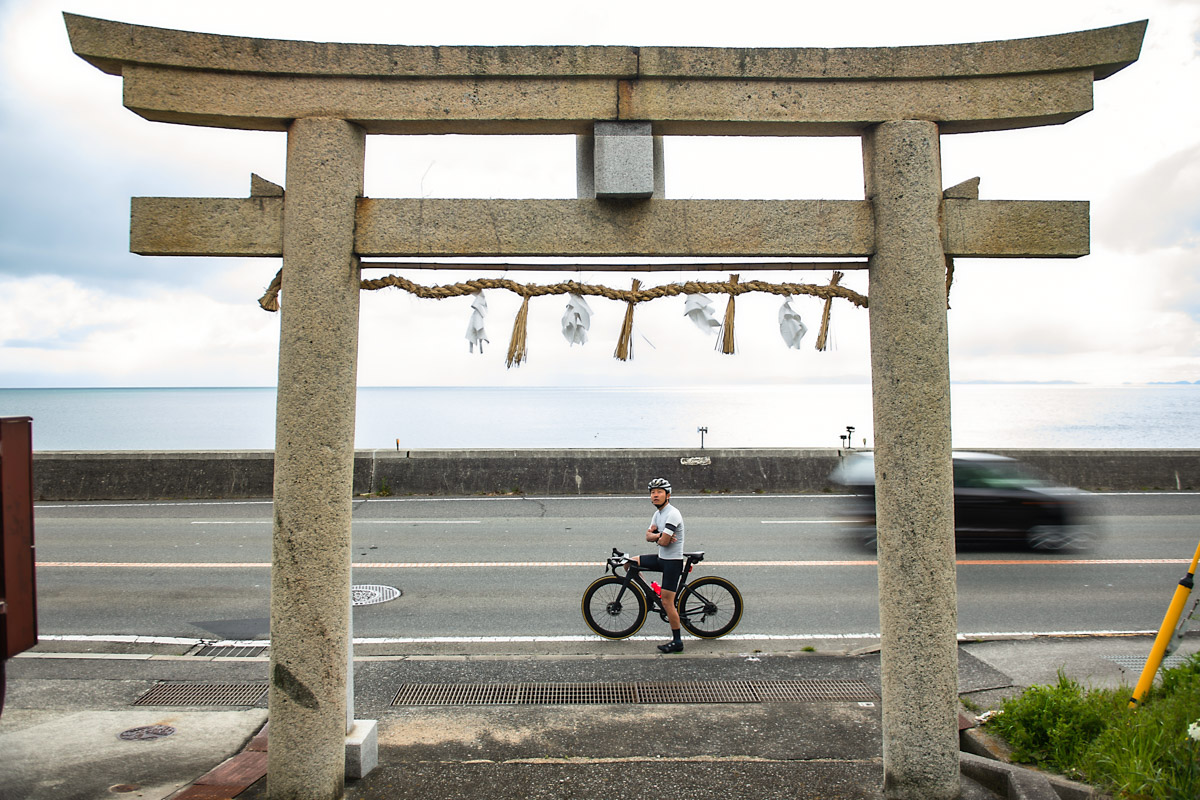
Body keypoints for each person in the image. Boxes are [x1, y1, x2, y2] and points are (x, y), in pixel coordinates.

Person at [629, 477, 686, 653]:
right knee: (630, 563)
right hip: (661, 558)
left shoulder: (672, 514)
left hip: (672, 562)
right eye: (653, 492)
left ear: (667, 495)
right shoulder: (657, 514)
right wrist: (658, 536)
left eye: (659, 492)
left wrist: (658, 537)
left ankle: (677, 642)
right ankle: (648, 593)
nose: (655, 495)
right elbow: (649, 537)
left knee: (667, 602)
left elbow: (665, 542)